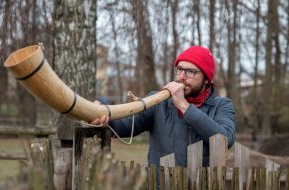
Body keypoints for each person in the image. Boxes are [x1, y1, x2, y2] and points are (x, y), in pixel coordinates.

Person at [92, 45, 236, 167]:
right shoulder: (158, 101)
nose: (182, 77)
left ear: (206, 79)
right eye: (179, 69)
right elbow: (127, 125)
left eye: (191, 72)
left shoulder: (222, 106)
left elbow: (225, 141)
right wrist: (106, 119)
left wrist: (183, 106)